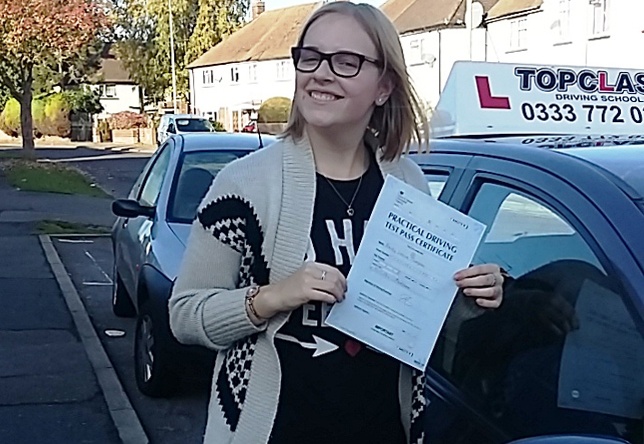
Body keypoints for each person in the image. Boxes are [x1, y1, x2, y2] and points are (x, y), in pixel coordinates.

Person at [168, 2, 504, 443]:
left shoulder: (407, 182)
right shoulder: (244, 184)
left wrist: (469, 296)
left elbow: (417, 319)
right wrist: (270, 298)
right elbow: (185, 315)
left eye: (346, 62)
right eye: (311, 56)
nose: (321, 73)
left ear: (383, 86)